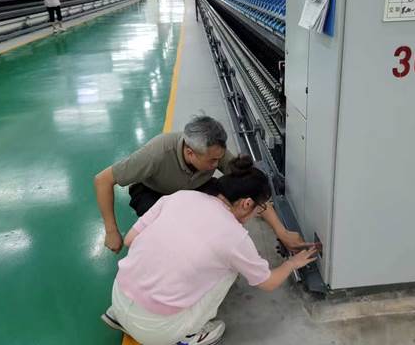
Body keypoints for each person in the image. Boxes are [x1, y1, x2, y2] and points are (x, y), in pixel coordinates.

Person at [101, 156, 318, 345]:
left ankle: (122, 316)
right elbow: (268, 282)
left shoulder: (180, 196)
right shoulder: (235, 237)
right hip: (155, 331)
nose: (256, 214)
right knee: (230, 269)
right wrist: (292, 263)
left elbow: (130, 240)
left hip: (118, 298)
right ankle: (190, 335)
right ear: (246, 204)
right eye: (259, 208)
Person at [94, 115, 309, 254]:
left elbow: (253, 189)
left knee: (223, 205)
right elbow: (103, 180)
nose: (217, 164)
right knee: (168, 238)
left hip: (196, 187)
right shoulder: (156, 154)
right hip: (156, 193)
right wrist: (111, 231)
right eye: (212, 161)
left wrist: (282, 231)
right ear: (190, 153)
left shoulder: (215, 153)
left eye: (219, 159)